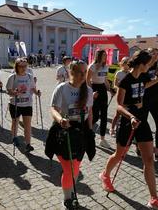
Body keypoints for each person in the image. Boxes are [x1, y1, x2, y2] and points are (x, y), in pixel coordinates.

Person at [99, 50, 158, 210]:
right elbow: (118, 106)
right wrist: (130, 116)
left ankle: (153, 198)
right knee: (120, 154)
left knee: (149, 160)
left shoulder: (143, 76)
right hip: (127, 122)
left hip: (142, 122)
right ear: (141, 65)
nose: (149, 67)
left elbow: (146, 82)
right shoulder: (125, 80)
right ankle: (105, 175)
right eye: (148, 64)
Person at [47, 60, 94, 209]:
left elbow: (90, 112)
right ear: (71, 72)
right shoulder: (62, 88)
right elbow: (53, 109)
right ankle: (67, 197)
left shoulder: (88, 90)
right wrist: (61, 120)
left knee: (76, 165)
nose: (83, 75)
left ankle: (71, 189)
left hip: (81, 132)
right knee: (69, 168)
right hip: (64, 130)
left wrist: (90, 130)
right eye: (80, 72)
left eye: (85, 72)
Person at [6, 58, 41, 152]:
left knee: (28, 125)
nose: (24, 68)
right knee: (15, 122)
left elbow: (33, 88)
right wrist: (14, 93)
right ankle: (14, 137)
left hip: (27, 104)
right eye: (21, 66)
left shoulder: (29, 76)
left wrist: (37, 92)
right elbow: (8, 91)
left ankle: (28, 144)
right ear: (17, 66)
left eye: (25, 66)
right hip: (15, 104)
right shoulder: (12, 77)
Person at [87, 50, 114, 148]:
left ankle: (102, 139)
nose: (105, 57)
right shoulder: (92, 66)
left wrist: (110, 89)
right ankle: (87, 131)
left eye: (106, 55)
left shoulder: (105, 67)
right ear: (98, 56)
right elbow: (87, 80)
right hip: (94, 89)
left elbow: (105, 80)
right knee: (95, 116)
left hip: (102, 90)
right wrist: (91, 92)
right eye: (103, 55)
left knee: (104, 115)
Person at [110, 57, 130, 136]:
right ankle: (112, 128)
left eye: (128, 64)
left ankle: (125, 130)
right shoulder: (119, 73)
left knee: (127, 112)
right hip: (120, 94)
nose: (127, 66)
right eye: (125, 64)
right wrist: (120, 88)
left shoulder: (130, 73)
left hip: (128, 95)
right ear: (122, 64)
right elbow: (115, 85)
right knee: (118, 113)